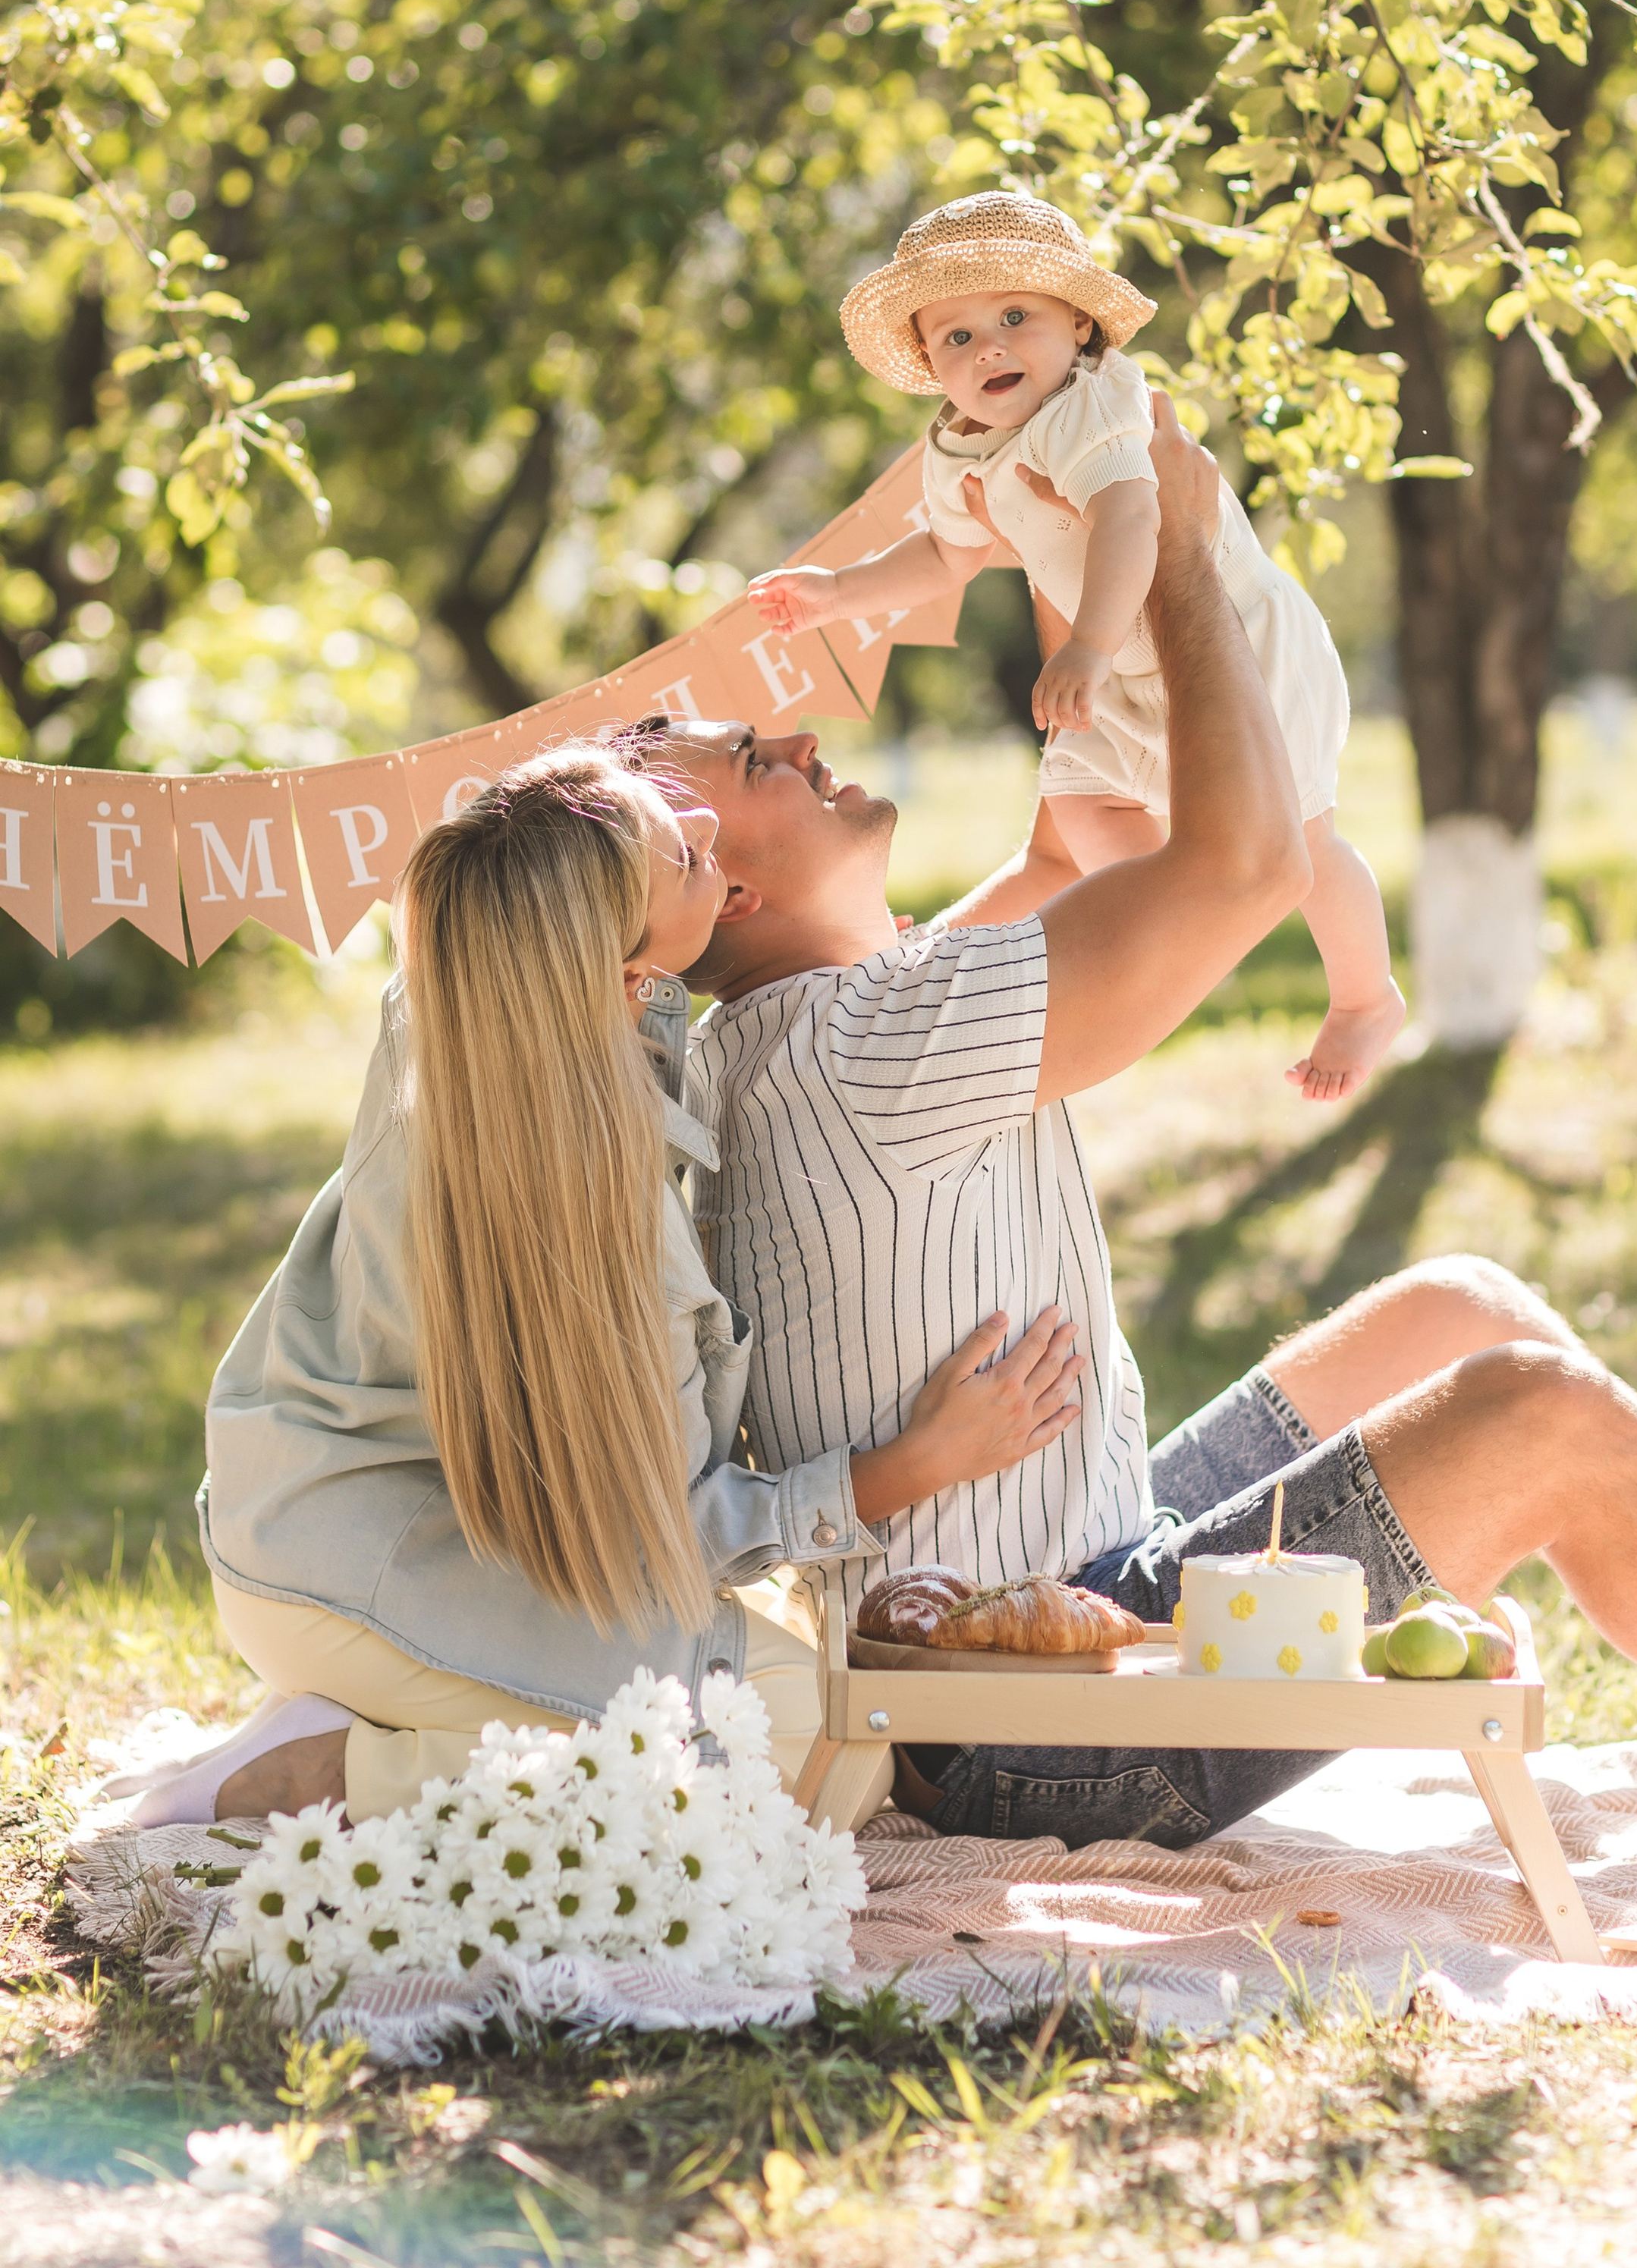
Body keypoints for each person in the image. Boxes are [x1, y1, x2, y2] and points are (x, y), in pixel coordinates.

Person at [646, 394, 1637, 1850]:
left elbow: (1063, 856)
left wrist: (1093, 590)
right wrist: (1185, 554)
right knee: (1538, 1414)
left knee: (1458, 1310)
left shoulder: (812, 1023)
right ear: (729, 896)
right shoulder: (863, 1040)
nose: (803, 743)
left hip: (1081, 1569)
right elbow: (1247, 865)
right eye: (758, 766)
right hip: (1026, 1726)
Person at [112, 746, 1079, 1830]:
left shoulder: (470, 999)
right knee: (822, 1756)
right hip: (355, 1573)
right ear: (626, 980)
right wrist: (904, 1469)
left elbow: (503, 846)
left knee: (805, 1726)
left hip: (308, 1517)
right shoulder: (593, 1205)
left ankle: (398, 1720)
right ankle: (333, 1770)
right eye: (683, 854)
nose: (704, 831)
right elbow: (652, 1533)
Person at [746, 189, 1403, 1103]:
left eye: (1015, 317)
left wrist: (1088, 646)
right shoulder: (960, 446)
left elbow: (1134, 514)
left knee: (1296, 832)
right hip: (1130, 672)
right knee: (1087, 804)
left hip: (1230, 644)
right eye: (958, 338)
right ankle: (1174, 931)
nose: (991, 349)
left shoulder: (1089, 407)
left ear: (1080, 325)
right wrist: (837, 593)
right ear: (932, 365)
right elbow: (946, 553)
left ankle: (1365, 998)